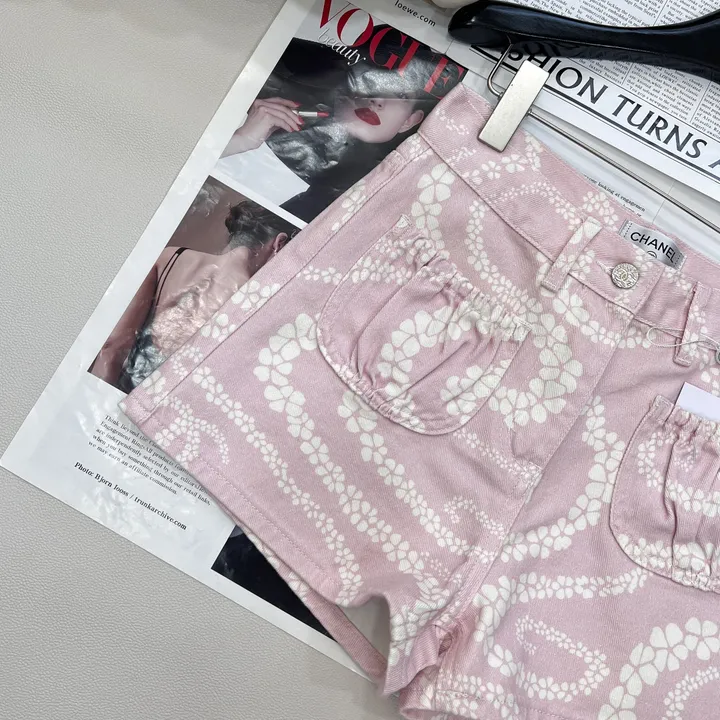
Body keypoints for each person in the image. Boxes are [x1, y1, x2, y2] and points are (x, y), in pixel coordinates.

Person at [219, 26, 464, 222]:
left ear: (410, 120)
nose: (377, 100)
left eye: (400, 95)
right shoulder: (256, 116)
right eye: (368, 80)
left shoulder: (399, 194)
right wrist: (240, 140)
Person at [90, 198, 297, 392]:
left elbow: (112, 346)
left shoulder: (170, 256)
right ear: (279, 243)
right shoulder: (259, 303)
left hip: (115, 393)